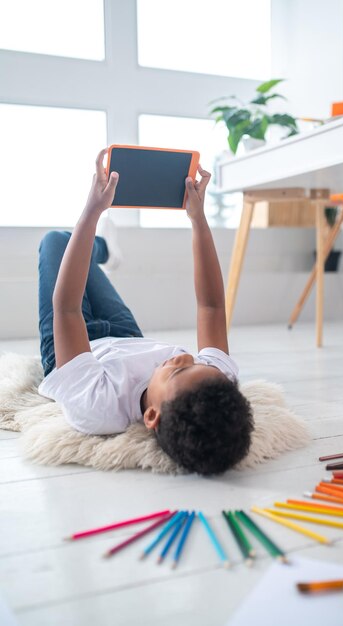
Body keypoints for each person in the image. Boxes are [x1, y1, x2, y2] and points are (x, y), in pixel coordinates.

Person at [37, 149, 253, 475]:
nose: (184, 358)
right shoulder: (216, 382)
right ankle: (103, 250)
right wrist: (197, 217)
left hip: (72, 345)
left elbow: (66, 309)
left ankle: (98, 245)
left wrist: (93, 210)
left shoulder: (98, 409)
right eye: (196, 362)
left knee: (55, 240)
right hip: (126, 334)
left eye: (179, 371)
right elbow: (211, 306)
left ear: (152, 416)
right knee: (72, 245)